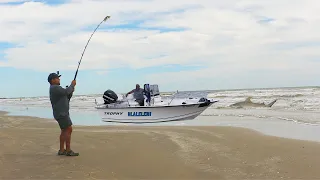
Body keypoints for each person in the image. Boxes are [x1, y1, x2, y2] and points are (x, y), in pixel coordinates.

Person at [48, 72, 79, 156]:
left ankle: (62, 150)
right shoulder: (55, 88)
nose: (59, 79)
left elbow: (66, 96)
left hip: (61, 113)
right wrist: (72, 85)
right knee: (69, 129)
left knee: (64, 130)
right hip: (62, 113)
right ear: (53, 80)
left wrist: (71, 91)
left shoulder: (56, 89)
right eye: (57, 78)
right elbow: (66, 92)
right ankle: (68, 150)